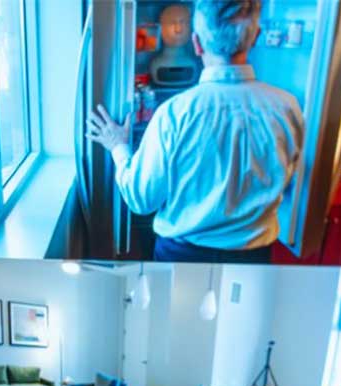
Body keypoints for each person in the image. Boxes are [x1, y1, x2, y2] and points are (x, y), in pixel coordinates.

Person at [86, 0, 304, 263]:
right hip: (254, 258)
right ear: (255, 37)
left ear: (196, 43)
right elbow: (291, 183)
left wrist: (117, 146)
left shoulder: (175, 113)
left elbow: (140, 198)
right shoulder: (287, 107)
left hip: (182, 258)